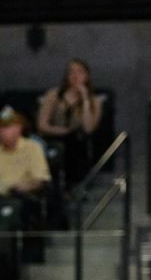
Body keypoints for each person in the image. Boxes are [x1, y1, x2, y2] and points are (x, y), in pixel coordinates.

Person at [37, 58, 103, 186]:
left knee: (76, 142)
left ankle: (73, 185)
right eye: (71, 72)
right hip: (54, 135)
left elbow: (88, 128)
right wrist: (63, 131)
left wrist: (85, 100)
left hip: (77, 141)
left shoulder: (95, 101)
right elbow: (42, 124)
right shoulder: (53, 95)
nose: (75, 76)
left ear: (87, 76)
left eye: (79, 72)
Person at [0, 107, 51, 198]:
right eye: (1, 127)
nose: (3, 131)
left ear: (19, 128)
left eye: (7, 127)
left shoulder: (33, 148)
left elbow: (40, 180)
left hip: (24, 198)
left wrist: (21, 187)